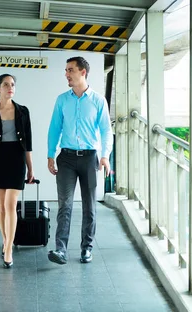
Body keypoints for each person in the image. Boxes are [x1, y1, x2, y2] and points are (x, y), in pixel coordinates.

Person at [46, 56, 113, 265]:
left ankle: (86, 248)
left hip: (89, 158)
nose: (66, 74)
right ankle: (61, 250)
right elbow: (54, 128)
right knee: (64, 205)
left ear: (83, 72)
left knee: (89, 206)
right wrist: (50, 154)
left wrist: (105, 156)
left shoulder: (98, 101)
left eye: (70, 70)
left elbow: (106, 131)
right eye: (66, 70)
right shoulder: (62, 100)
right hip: (65, 157)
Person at [0, 74, 34, 268]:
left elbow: (28, 142)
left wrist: (30, 168)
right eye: (6, 85)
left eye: (13, 85)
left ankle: (9, 248)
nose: (10, 87)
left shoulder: (23, 111)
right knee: (1, 207)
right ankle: (5, 240)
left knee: (11, 205)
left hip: (16, 159)